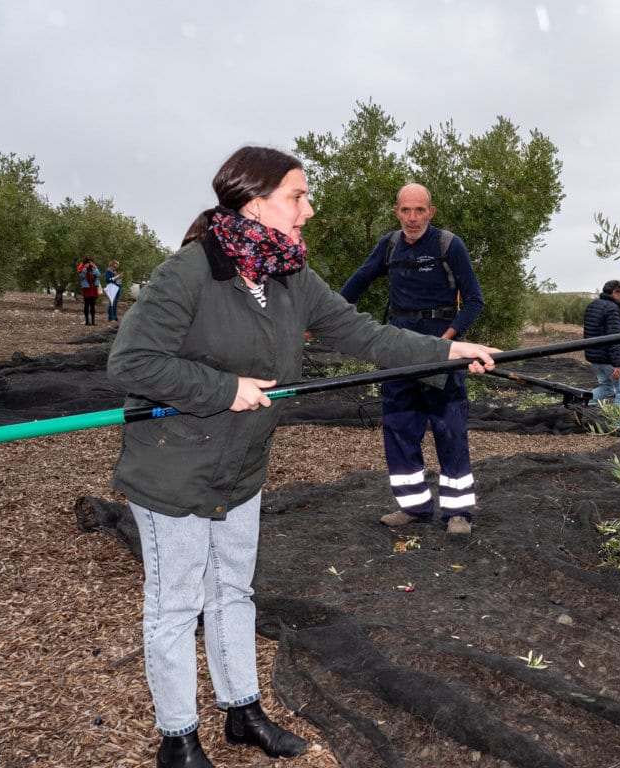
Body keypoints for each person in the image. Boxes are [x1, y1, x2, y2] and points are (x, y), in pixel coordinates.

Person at [107, 147, 497, 768]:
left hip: (242, 469)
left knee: (234, 589)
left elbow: (367, 335)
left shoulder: (290, 277)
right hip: (172, 470)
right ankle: (178, 740)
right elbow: (131, 362)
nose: (309, 210)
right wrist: (225, 388)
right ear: (255, 203)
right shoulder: (188, 273)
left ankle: (243, 713)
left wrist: (445, 353)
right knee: (177, 603)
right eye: (298, 196)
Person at [339, 184, 485, 535]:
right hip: (399, 347)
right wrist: (326, 316)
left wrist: (445, 343)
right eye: (406, 210)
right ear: (396, 212)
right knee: (399, 427)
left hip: (441, 348)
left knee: (449, 428)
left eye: (420, 210)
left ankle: (458, 513)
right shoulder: (388, 245)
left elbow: (475, 302)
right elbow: (358, 281)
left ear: (431, 212)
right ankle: (414, 507)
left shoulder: (449, 245)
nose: (413, 218)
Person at [583, 280, 620, 409]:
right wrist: (617, 364)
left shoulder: (592, 305)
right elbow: (613, 338)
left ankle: (581, 404)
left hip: (595, 357)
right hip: (609, 359)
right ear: (615, 292)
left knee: (607, 387)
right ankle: (619, 426)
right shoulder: (612, 309)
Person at [78, 256, 101, 325]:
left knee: (93, 305)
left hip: (93, 288)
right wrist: (85, 268)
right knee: (87, 305)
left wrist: (94, 268)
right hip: (86, 288)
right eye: (89, 262)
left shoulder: (94, 267)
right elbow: (81, 277)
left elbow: (99, 275)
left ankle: (93, 321)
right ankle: (87, 321)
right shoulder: (82, 268)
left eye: (91, 262)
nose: (90, 263)